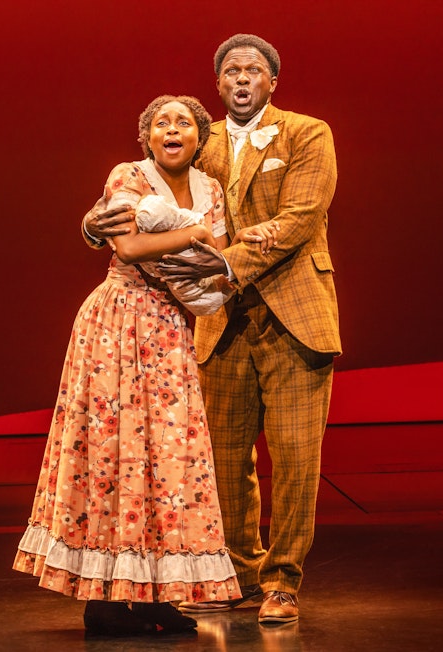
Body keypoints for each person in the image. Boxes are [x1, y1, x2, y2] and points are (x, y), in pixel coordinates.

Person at [84, 34, 340, 626]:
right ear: (219, 84)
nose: (242, 79)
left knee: (296, 459)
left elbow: (300, 219)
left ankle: (282, 581)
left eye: (253, 70)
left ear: (272, 81)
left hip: (293, 315)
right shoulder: (200, 141)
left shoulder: (307, 133)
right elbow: (144, 194)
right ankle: (239, 575)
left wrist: (225, 261)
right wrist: (94, 226)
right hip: (218, 319)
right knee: (221, 460)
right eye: (231, 71)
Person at [14, 95, 245, 637]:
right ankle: (105, 599)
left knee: (167, 460)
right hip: (118, 324)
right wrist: (193, 236)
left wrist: (208, 254)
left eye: (183, 123)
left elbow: (217, 257)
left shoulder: (211, 188)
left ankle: (156, 592)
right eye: (161, 123)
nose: (172, 130)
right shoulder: (128, 175)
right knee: (113, 452)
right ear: (147, 136)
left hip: (171, 328)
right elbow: (130, 247)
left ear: (199, 137)